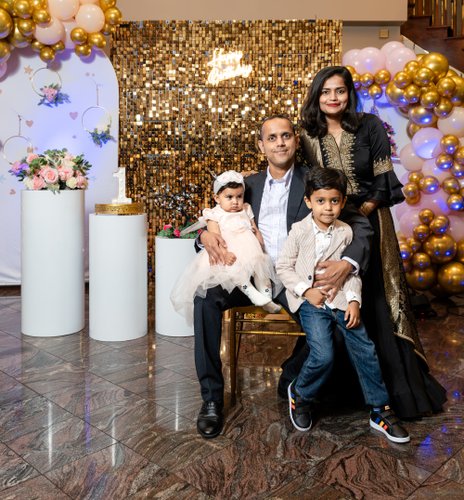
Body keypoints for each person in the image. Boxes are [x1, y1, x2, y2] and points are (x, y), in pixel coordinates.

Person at [194, 114, 373, 439]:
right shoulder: (246, 185)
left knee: (333, 321)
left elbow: (358, 222)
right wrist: (203, 236)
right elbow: (216, 216)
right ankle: (211, 399)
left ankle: (292, 376)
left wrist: (348, 262)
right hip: (248, 273)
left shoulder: (312, 181)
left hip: (294, 278)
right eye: (272, 137)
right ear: (261, 146)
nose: (280, 143)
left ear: (295, 140)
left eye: (286, 136)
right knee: (204, 299)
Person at [291, 65, 446, 419]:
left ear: (349, 94)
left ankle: (389, 393)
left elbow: (383, 180)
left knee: (373, 298)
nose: (333, 97)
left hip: (370, 220)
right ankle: (331, 390)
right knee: (333, 295)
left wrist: (355, 214)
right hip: (326, 224)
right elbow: (301, 181)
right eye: (326, 91)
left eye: (340, 90)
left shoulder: (370, 126)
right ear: (316, 95)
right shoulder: (308, 135)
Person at [276, 166, 410, 443]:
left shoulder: (346, 232)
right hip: (311, 302)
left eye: (334, 201)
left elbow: (350, 275)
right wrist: (305, 291)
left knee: (366, 350)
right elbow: (284, 267)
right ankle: (301, 394)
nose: (328, 208)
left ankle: (380, 410)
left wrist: (353, 301)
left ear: (343, 202)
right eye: (321, 201)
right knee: (323, 354)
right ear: (309, 201)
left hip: (340, 300)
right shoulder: (299, 231)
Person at [170, 170, 281, 324]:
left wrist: (260, 244)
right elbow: (216, 238)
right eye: (229, 197)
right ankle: (251, 292)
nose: (235, 201)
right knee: (236, 271)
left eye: (239, 196)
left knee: (260, 269)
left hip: (251, 249)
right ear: (217, 198)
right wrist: (224, 253)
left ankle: (266, 297)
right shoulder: (214, 214)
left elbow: (254, 228)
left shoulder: (246, 208)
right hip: (229, 250)